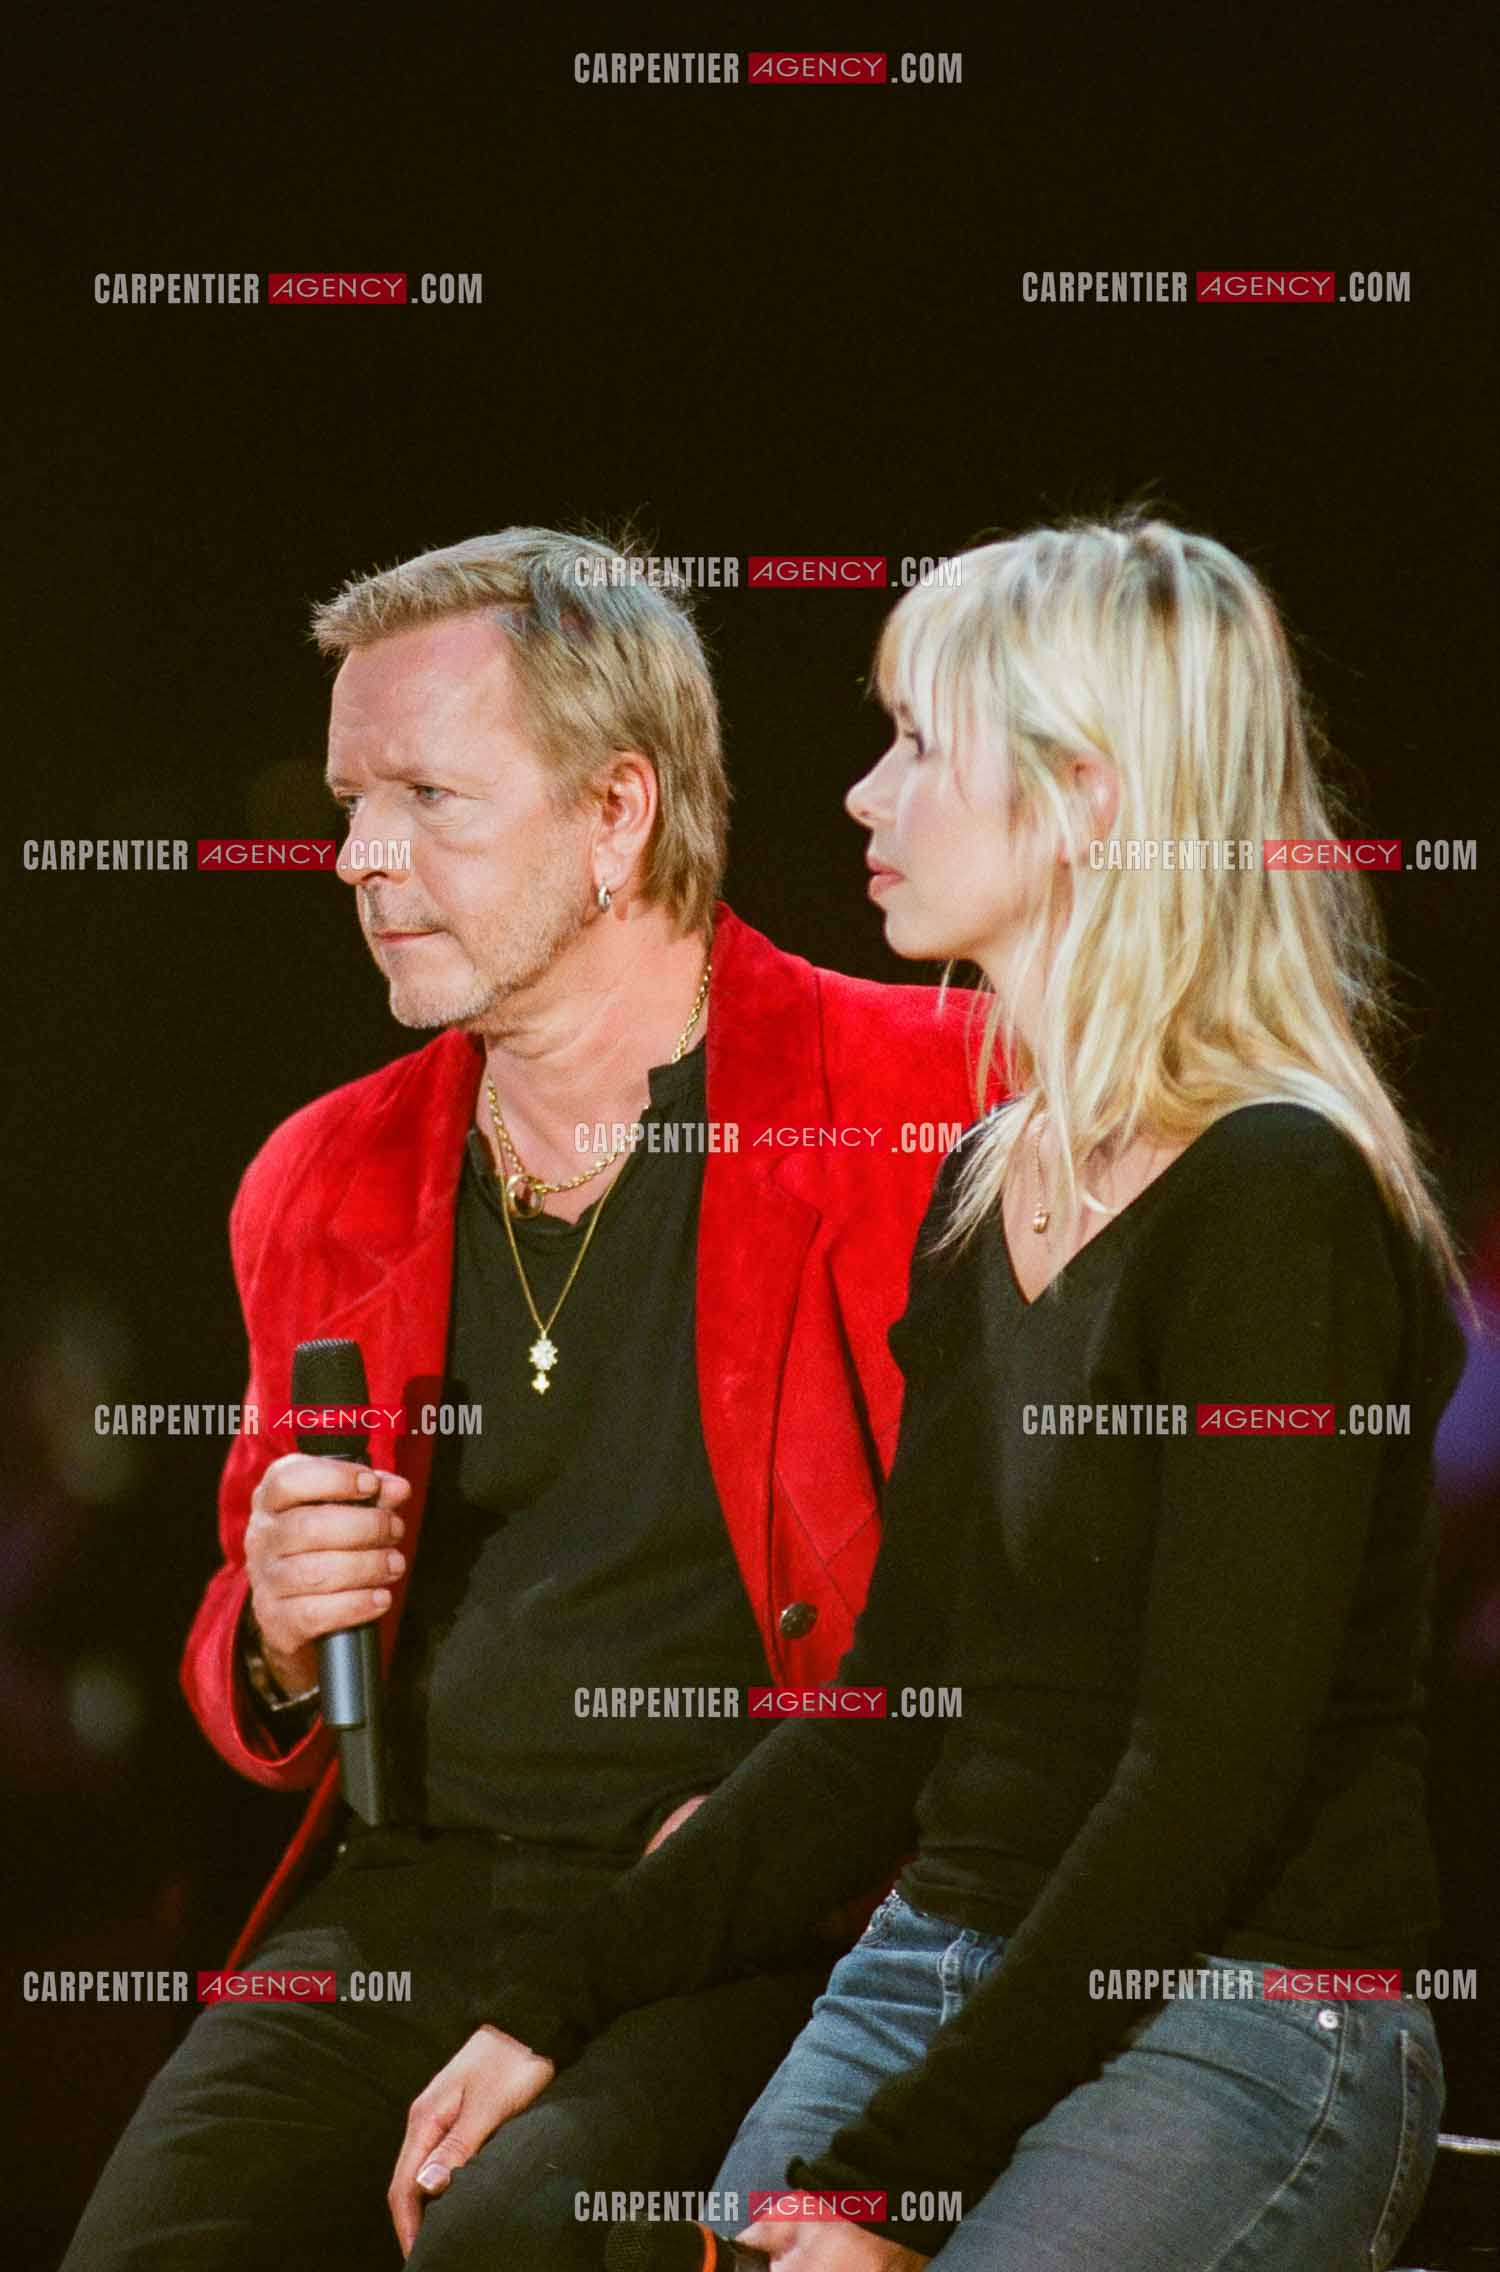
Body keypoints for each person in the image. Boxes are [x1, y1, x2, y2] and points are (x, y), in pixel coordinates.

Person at [387, 516, 1473, 2272]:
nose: (862, 801)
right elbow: (899, 1709)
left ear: (1087, 796)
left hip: (1244, 1998)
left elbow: (1207, 1776)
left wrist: (898, 2179)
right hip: (949, 1958)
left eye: (916, 746)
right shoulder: (989, 1189)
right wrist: (550, 2002)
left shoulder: (1279, 1194)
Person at [61, 529, 982, 2271]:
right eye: (348, 803)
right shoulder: (320, 1173)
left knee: (523, 2230)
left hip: (762, 1887)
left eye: (426, 797)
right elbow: (243, 1645)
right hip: (423, 1890)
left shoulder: (926, 1093)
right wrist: (268, 1627)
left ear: (617, 814)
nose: (361, 860)